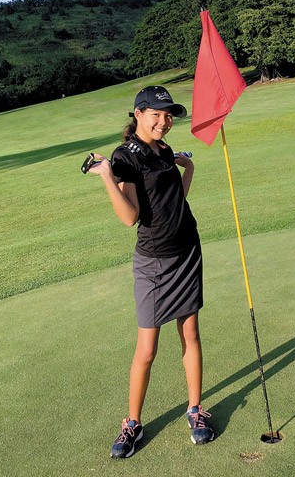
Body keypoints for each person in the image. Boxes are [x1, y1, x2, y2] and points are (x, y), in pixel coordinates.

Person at [86, 85, 214, 459]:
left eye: (169, 114)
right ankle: (132, 423)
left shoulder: (164, 151)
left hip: (187, 250)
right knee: (147, 348)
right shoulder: (125, 157)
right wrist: (107, 176)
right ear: (138, 114)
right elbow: (129, 218)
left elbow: (176, 199)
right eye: (156, 114)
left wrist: (187, 166)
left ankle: (195, 410)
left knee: (190, 332)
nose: (164, 120)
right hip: (154, 263)